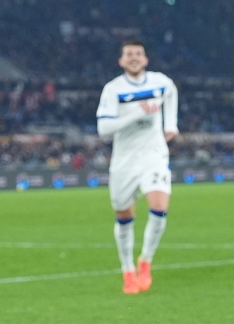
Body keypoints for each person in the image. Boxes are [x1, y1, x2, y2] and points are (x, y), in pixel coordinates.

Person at [96, 40, 178, 295]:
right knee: (124, 216)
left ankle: (146, 261)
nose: (134, 58)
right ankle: (127, 269)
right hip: (124, 161)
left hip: (154, 155)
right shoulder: (113, 89)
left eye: (138, 54)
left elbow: (172, 92)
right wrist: (137, 114)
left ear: (146, 59)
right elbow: (104, 129)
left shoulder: (160, 82)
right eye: (129, 54)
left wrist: (170, 124)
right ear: (121, 61)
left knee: (159, 208)